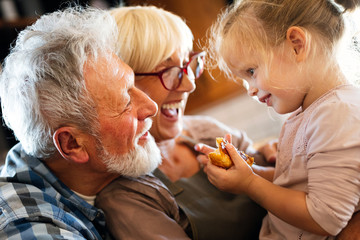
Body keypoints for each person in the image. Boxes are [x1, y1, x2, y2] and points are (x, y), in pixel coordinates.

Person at [95, 5, 273, 240]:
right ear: (123, 85)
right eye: (167, 71)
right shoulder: (126, 196)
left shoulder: (204, 131)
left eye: (188, 66)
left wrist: (281, 157)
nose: (189, 85)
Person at [196, 0, 360, 239]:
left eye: (251, 71)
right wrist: (251, 172)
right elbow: (299, 182)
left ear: (296, 45)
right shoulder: (309, 112)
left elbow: (325, 218)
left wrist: (250, 184)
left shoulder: (338, 114)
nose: (250, 90)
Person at [0, 6, 161, 239]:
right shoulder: (26, 225)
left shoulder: (114, 163)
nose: (150, 107)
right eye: (126, 101)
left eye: (134, 85)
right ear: (72, 144)